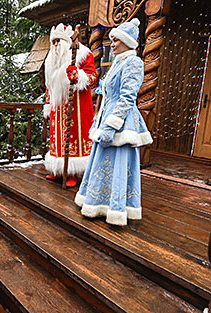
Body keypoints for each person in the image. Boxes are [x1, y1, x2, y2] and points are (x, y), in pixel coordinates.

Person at [74, 18, 153, 226]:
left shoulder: (134, 62)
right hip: (107, 117)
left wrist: (111, 124)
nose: (113, 44)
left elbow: (127, 97)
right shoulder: (118, 63)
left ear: (128, 41)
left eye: (116, 40)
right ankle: (98, 202)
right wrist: (100, 122)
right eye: (112, 40)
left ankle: (116, 208)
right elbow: (107, 94)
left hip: (122, 122)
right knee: (102, 162)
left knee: (118, 163)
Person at [43, 23, 97, 187]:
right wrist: (47, 104)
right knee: (57, 139)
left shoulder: (83, 55)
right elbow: (49, 86)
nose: (56, 45)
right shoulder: (50, 61)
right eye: (54, 42)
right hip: (57, 108)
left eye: (59, 41)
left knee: (74, 137)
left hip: (77, 107)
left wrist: (78, 75)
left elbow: (93, 77)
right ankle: (58, 170)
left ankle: (73, 171)